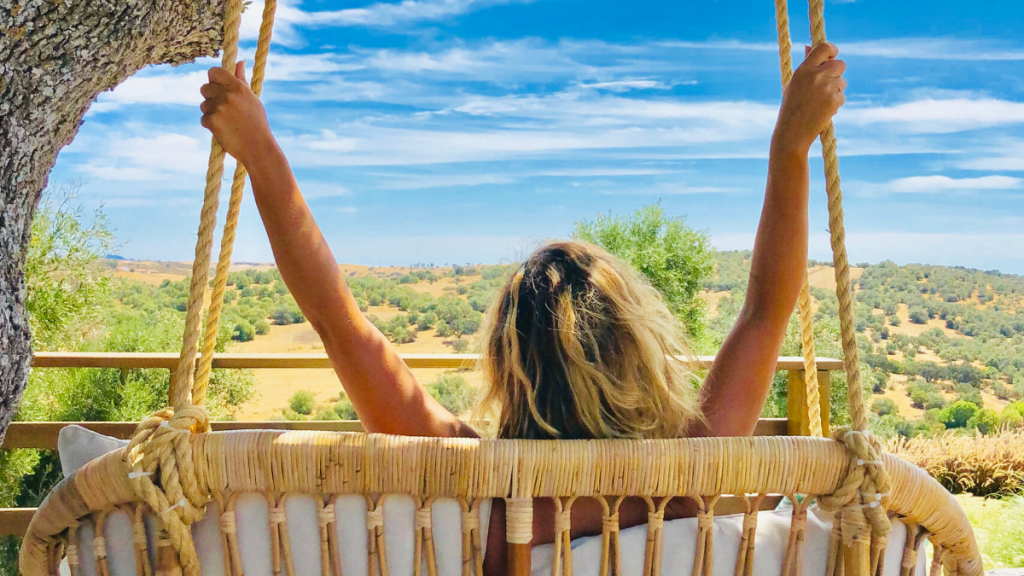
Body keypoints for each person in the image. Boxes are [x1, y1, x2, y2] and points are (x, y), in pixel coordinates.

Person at [199, 42, 846, 575]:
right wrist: (790, 146)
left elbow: (343, 329)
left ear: (511, 366)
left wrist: (262, 155)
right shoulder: (683, 479)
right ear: (634, 351)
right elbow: (765, 311)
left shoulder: (481, 492)